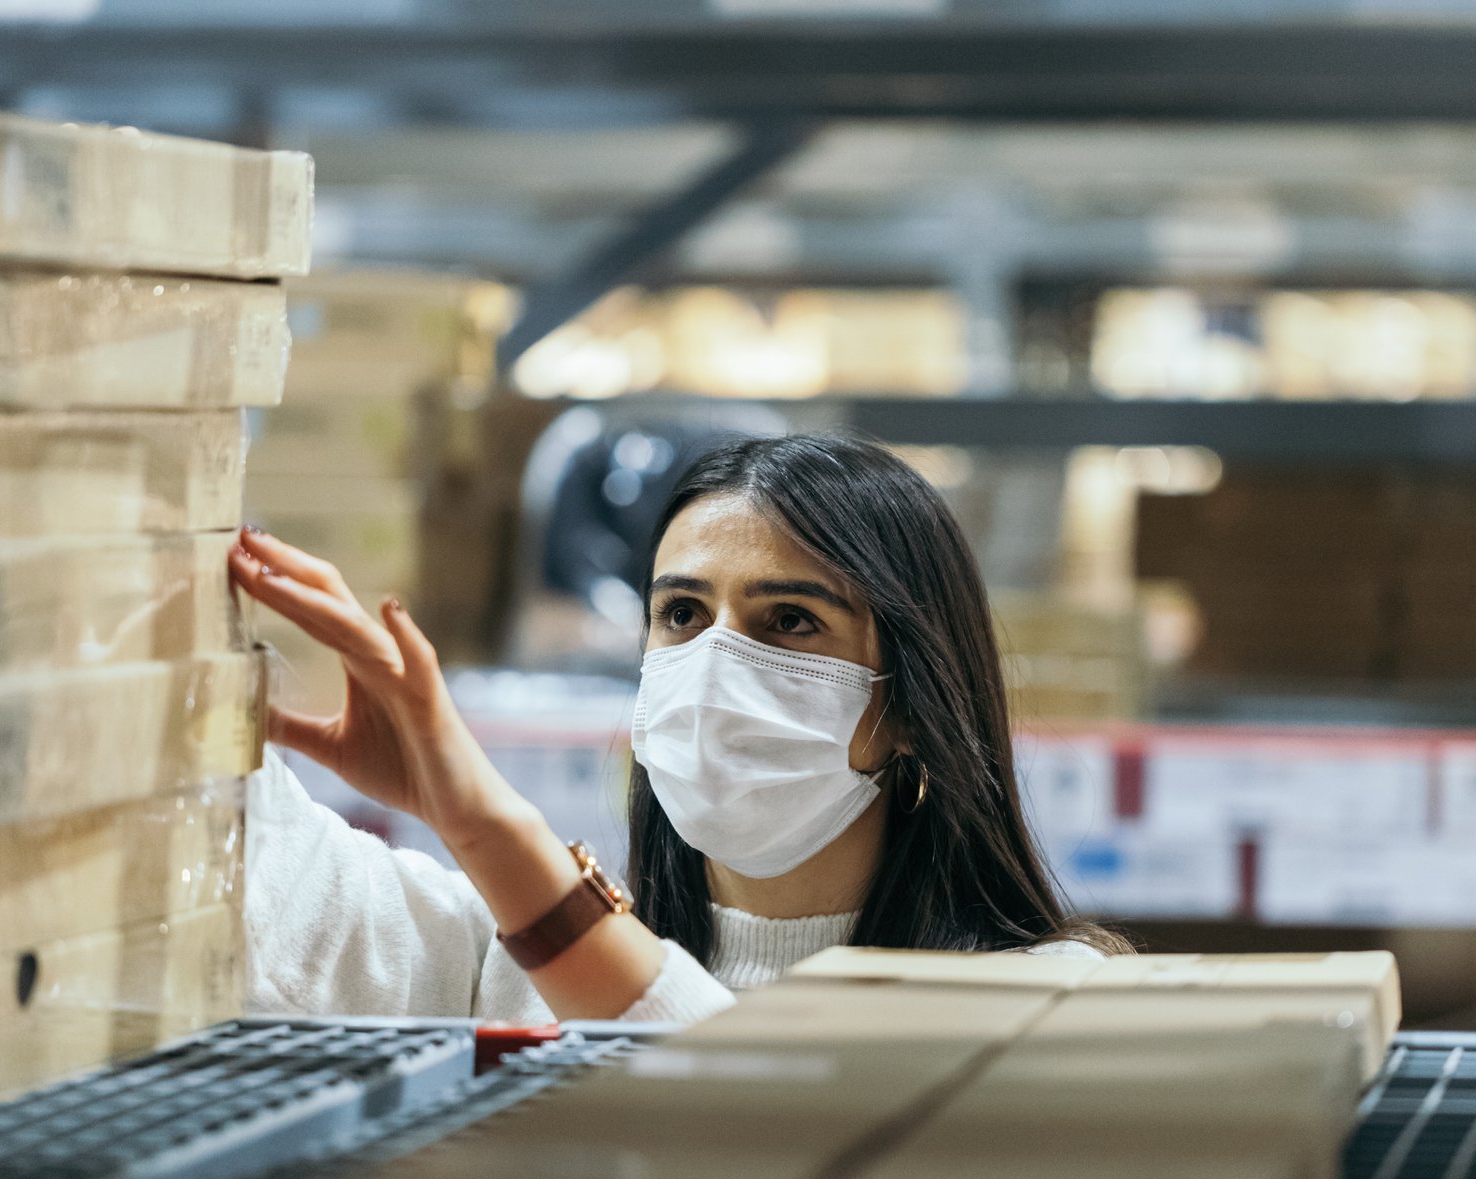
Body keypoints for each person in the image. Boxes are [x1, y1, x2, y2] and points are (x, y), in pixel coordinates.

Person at [232, 434, 1124, 1027]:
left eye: (789, 621)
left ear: (913, 708)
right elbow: (238, 867)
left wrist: (489, 829)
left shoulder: (1048, 1003)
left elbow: (757, 1125)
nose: (715, 668)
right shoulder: (493, 961)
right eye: (683, 615)